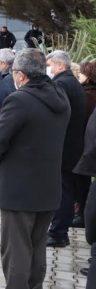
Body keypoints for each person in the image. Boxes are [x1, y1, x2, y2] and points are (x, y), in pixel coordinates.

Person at [0, 49, 70, 289]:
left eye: (13, 72)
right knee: (36, 246)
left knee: (16, 251)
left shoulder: (19, 99)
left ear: (21, 75)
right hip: (48, 187)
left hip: (18, 190)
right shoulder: (60, 95)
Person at [46, 51, 86, 247]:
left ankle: (58, 233)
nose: (49, 69)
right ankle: (59, 230)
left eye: (50, 65)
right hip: (73, 145)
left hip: (64, 147)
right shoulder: (73, 83)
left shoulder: (61, 84)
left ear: (60, 65)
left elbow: (56, 115)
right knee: (66, 188)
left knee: (63, 190)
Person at [73, 62, 96, 229]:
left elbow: (82, 120)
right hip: (87, 143)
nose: (79, 76)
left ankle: (81, 213)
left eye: (82, 73)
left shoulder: (88, 95)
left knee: (81, 179)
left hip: (84, 143)